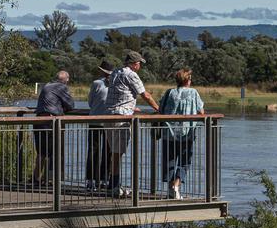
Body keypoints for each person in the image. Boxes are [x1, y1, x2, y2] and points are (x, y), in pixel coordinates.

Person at [102, 50, 160, 199]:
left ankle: (112, 184)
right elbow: (145, 95)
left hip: (108, 115)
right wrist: (159, 109)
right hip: (121, 117)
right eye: (139, 63)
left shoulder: (115, 72)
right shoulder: (131, 74)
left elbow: (120, 92)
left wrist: (131, 105)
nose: (140, 65)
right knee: (118, 151)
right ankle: (114, 186)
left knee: (114, 151)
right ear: (135, 64)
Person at [158, 68, 205, 200]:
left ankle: (171, 190)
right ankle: (176, 187)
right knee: (184, 162)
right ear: (187, 80)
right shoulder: (193, 93)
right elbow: (201, 112)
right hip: (187, 133)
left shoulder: (169, 92)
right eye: (190, 78)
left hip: (169, 132)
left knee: (169, 161)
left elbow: (160, 110)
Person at [33, 70, 74, 186]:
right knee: (52, 152)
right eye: (68, 80)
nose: (68, 82)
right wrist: (63, 108)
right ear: (65, 80)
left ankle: (36, 178)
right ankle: (49, 179)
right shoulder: (62, 87)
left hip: (38, 120)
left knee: (41, 152)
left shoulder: (47, 85)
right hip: (51, 122)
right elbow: (71, 105)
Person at [85, 57, 112, 191]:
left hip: (94, 119)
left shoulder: (96, 83)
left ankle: (90, 181)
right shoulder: (115, 84)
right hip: (109, 121)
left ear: (102, 71)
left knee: (93, 150)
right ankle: (104, 179)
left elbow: (90, 102)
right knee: (107, 151)